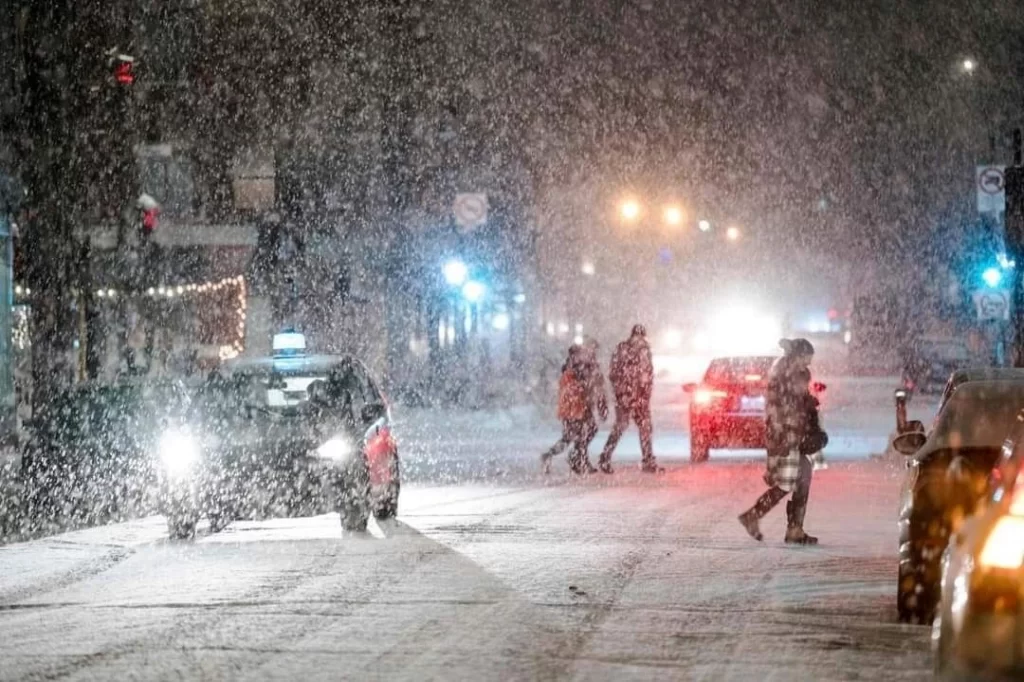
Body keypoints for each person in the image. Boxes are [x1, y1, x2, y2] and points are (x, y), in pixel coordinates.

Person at [738, 338, 826, 544]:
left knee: (802, 476)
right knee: (789, 481)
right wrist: (785, 437)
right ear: (797, 356)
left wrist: (808, 404)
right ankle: (759, 517)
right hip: (785, 438)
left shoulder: (797, 373)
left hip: (795, 436)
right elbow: (780, 409)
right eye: (806, 358)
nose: (809, 363)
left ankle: (793, 528)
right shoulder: (784, 374)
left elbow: (797, 402)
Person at [599, 324, 661, 474]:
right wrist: (625, 393)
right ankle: (607, 457)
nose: (639, 340)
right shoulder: (632, 350)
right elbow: (616, 374)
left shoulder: (636, 350)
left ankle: (646, 459)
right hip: (630, 397)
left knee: (636, 427)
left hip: (633, 397)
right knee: (630, 427)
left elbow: (647, 375)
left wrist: (640, 394)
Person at [541, 344, 607, 474]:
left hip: (578, 407)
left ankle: (576, 459)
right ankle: (575, 460)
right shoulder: (572, 369)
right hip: (574, 409)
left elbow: (592, 385)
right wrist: (585, 387)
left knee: (581, 435)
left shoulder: (580, 366)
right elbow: (575, 388)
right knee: (576, 437)